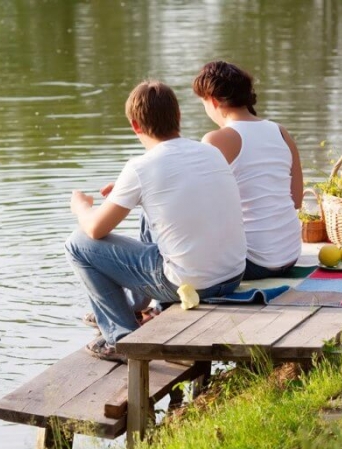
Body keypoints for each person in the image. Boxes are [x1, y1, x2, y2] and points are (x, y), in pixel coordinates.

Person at [65, 80, 247, 362]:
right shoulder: (211, 152)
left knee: (77, 244)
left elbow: (93, 229)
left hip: (192, 285)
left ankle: (121, 339)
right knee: (148, 210)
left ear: (135, 126)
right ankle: (138, 306)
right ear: (179, 117)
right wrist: (130, 193)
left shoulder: (140, 167)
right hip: (232, 276)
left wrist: (81, 207)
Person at [192, 60, 304, 280]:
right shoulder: (280, 132)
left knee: (156, 215)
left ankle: (157, 304)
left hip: (251, 262)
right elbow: (297, 200)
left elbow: (196, 205)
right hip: (290, 255)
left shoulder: (216, 139)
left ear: (212, 101)